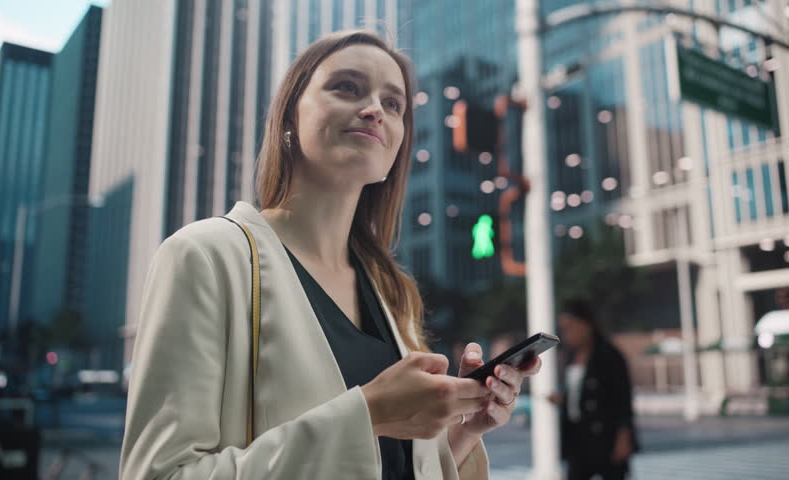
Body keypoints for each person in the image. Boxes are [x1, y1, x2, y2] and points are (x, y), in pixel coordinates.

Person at [119, 30, 542, 479]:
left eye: (394, 103)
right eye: (347, 87)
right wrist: (369, 414)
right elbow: (160, 473)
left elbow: (389, 466)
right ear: (289, 115)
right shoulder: (205, 257)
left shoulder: (389, 289)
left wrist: (462, 431)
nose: (375, 109)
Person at [548, 299, 638, 480]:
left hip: (606, 436)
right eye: (563, 329)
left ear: (586, 325)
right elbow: (579, 393)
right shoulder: (570, 357)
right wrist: (563, 400)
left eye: (570, 327)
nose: (566, 334)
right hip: (578, 436)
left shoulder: (609, 355)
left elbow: (623, 398)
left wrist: (624, 436)